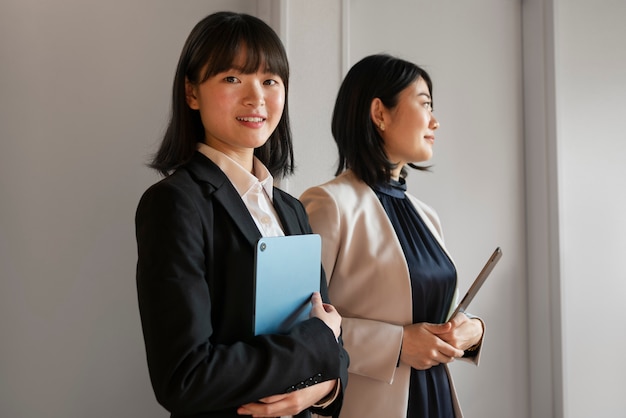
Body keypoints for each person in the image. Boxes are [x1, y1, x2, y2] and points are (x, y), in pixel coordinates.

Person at [135, 12, 348, 418]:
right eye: (232, 78)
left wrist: (320, 389)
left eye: (270, 80)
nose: (257, 97)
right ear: (192, 93)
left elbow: (335, 343)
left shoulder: (291, 209)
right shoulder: (175, 203)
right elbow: (185, 378)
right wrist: (316, 347)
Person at [299, 54, 485, 418]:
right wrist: (397, 345)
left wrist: (472, 331)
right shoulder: (328, 203)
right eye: (425, 103)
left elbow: (435, 309)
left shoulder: (426, 215)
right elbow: (302, 324)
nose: (435, 120)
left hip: (435, 399)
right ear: (379, 113)